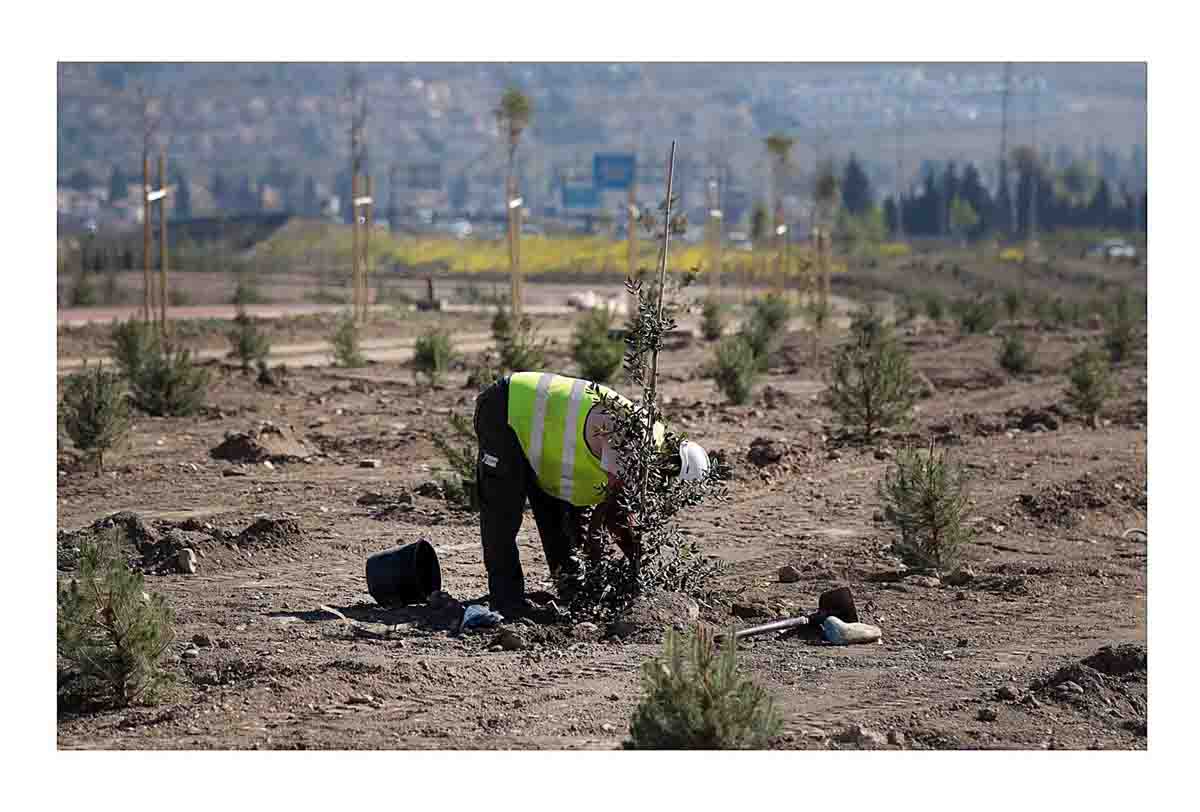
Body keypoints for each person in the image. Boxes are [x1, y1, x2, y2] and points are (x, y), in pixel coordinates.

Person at [472, 371, 710, 620]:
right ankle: (506, 601)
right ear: (669, 467)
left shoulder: (652, 445)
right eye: (668, 483)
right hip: (507, 408)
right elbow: (615, 513)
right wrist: (639, 565)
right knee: (502, 511)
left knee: (559, 514)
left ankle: (572, 590)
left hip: (542, 437)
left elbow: (603, 512)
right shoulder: (634, 441)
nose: (662, 489)